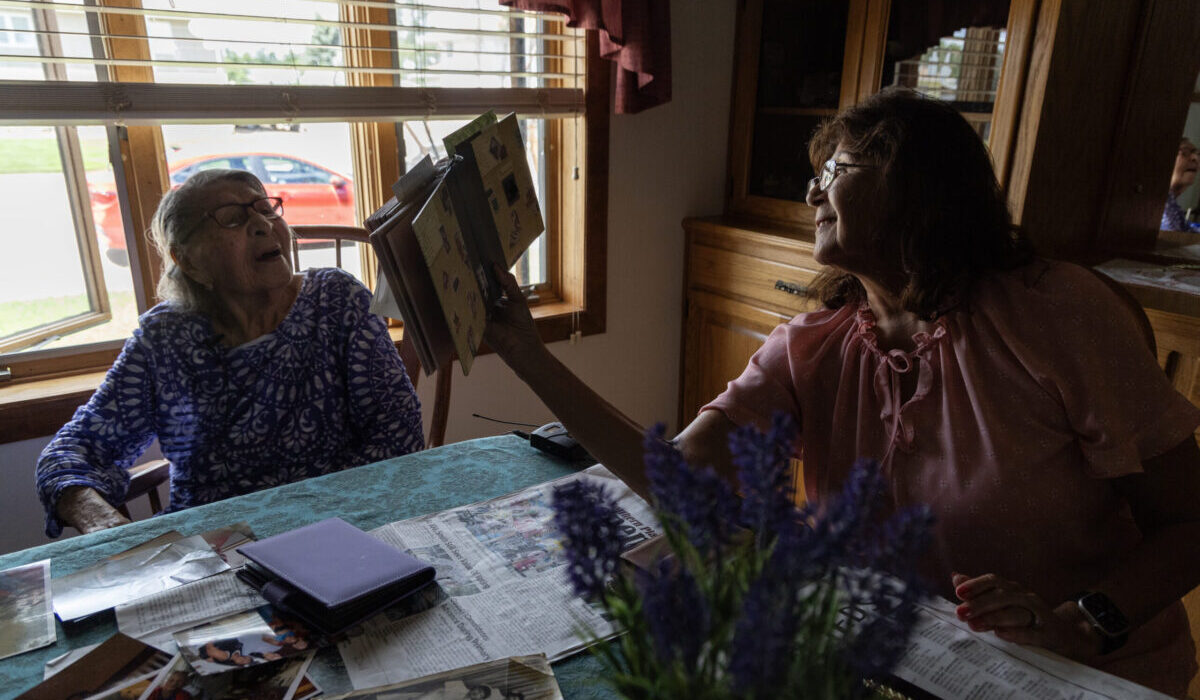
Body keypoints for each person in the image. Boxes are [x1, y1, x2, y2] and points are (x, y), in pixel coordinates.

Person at [485, 88, 1200, 697]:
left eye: (834, 167)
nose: (810, 192)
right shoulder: (812, 346)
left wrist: (1080, 622)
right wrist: (525, 353)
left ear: (918, 183)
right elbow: (678, 476)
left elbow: (1190, 521)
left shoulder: (1055, 316)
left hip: (1082, 670)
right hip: (905, 667)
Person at [36, 169, 424, 537]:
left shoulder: (336, 300)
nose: (263, 224)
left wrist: (309, 521)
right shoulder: (165, 339)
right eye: (232, 219)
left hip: (340, 526)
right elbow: (70, 454)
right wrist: (105, 524)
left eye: (265, 209)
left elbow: (397, 430)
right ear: (187, 260)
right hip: (211, 546)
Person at [1163, 138, 1200, 231]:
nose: (1195, 158)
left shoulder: (1171, 204)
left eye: (1197, 154)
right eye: (1185, 152)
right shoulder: (1154, 205)